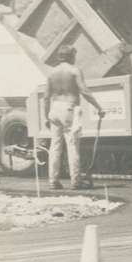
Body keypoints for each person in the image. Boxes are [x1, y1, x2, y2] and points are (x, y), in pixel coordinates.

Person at [44, 44, 105, 189]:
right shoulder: (74, 70)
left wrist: (47, 116)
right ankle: (76, 181)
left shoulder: (51, 73)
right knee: (72, 146)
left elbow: (46, 97)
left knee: (55, 146)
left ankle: (53, 181)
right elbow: (84, 91)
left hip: (54, 108)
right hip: (69, 108)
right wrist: (98, 107)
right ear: (71, 56)